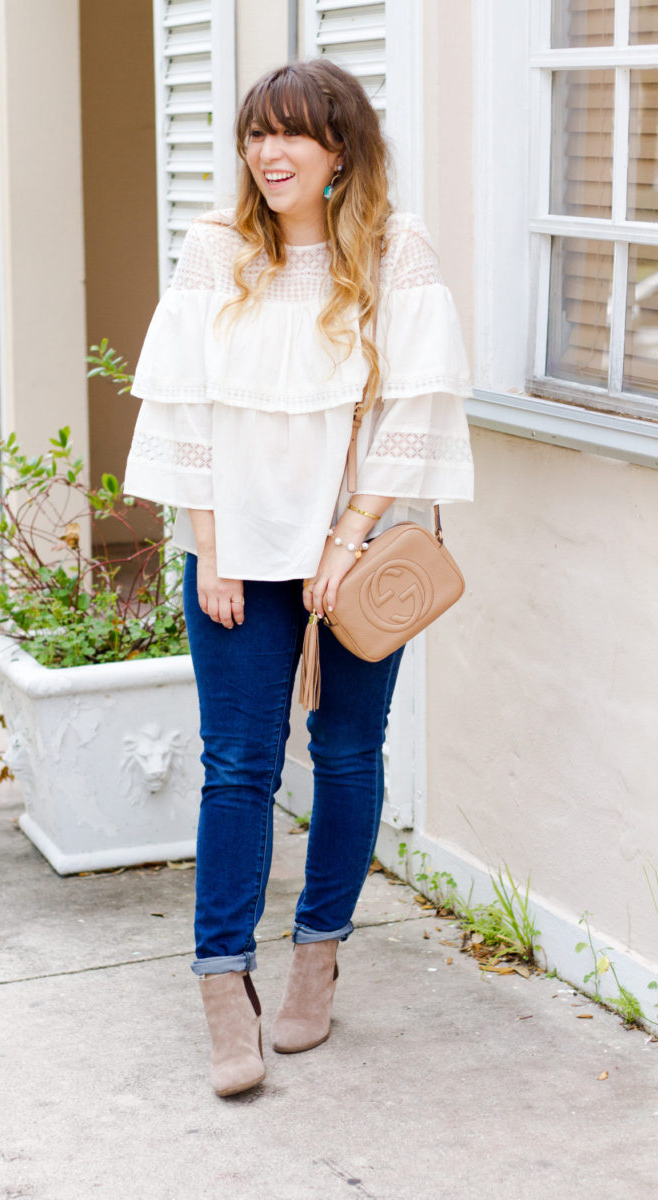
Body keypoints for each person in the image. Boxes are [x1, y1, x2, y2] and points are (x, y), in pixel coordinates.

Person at [124, 59, 473, 1097]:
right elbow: (181, 404)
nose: (266, 154)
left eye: (291, 135)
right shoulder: (215, 251)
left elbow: (413, 407)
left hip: (355, 553)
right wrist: (212, 541)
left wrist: (348, 533)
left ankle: (317, 956)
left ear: (338, 152)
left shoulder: (392, 251)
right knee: (238, 765)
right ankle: (222, 986)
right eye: (253, 135)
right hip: (238, 548)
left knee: (348, 751)